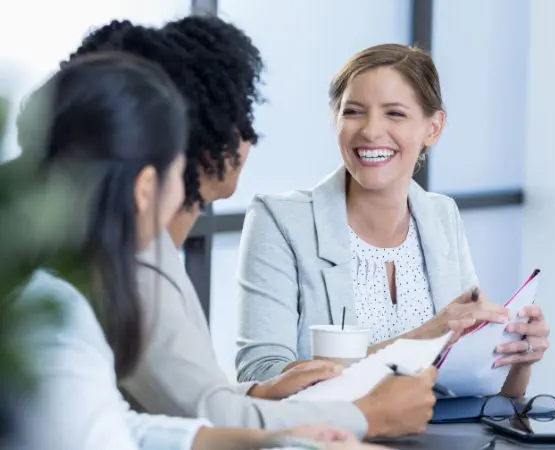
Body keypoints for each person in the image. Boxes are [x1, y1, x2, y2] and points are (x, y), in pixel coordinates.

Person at [67, 19, 437, 439]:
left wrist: (258, 393)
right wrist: (369, 414)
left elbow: (186, 401)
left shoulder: (149, 248)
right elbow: (204, 414)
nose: (249, 138)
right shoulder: (133, 261)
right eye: (238, 115)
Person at [15, 51, 382, 450]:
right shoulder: (57, 312)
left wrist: (269, 438)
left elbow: (110, 422)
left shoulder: (48, 286)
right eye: (178, 168)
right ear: (144, 188)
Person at [234, 43, 551, 401]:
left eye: (394, 114)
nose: (371, 131)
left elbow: (482, 394)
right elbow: (261, 374)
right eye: (353, 111)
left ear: (433, 128)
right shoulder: (280, 220)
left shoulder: (441, 215)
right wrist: (423, 338)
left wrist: (517, 356)